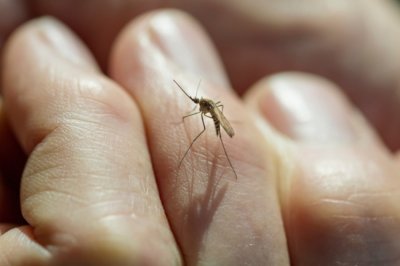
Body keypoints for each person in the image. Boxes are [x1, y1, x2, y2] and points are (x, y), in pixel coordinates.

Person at [0, 1, 399, 265]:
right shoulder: (202, 103)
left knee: (207, 148)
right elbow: (201, 102)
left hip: (226, 136)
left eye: (198, 104)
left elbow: (212, 113)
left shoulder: (209, 110)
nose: (197, 106)